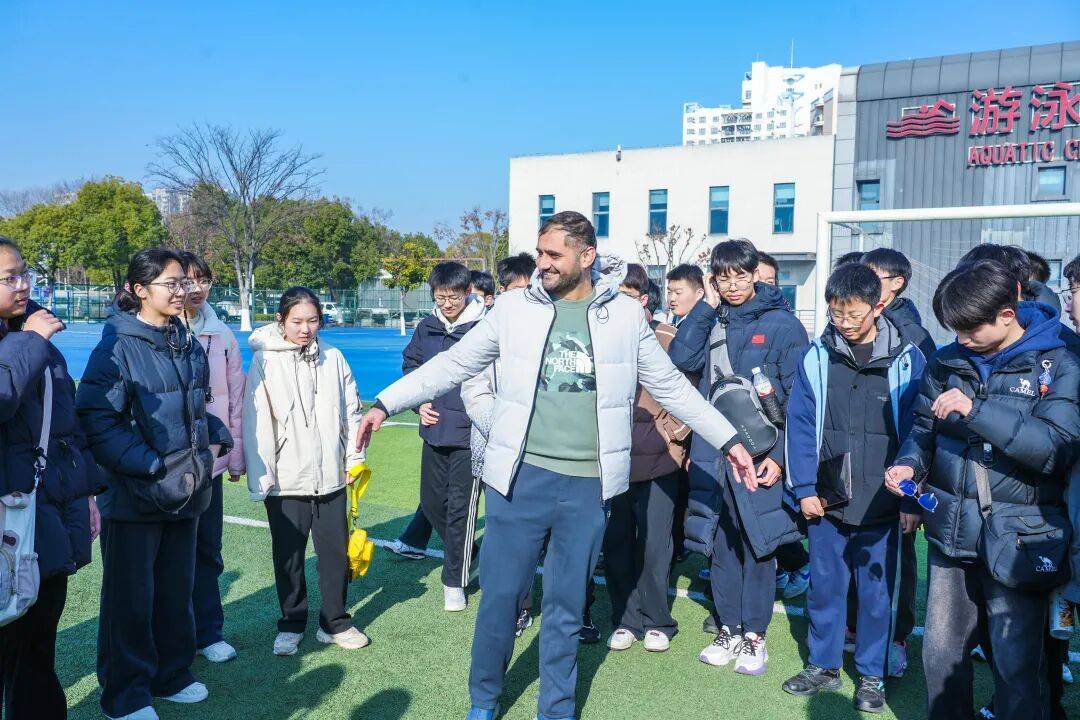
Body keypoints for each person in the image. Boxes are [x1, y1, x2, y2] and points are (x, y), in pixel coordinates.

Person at [356, 211, 756, 720]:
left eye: (553, 255)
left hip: (588, 488)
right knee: (500, 601)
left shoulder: (625, 316)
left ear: (586, 256)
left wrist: (728, 439)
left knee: (566, 609)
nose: (542, 263)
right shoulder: (512, 308)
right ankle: (484, 700)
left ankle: (557, 708)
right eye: (540, 252)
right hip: (518, 482)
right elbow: (454, 364)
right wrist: (386, 402)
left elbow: (673, 388)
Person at [886, 260, 1079, 720]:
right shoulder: (946, 360)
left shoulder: (1059, 363)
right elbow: (923, 429)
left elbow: (1056, 449)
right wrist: (909, 465)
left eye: (970, 328)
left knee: (1017, 665)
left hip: (1022, 537)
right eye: (954, 328)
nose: (962, 338)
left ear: (1007, 315)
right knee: (941, 655)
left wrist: (977, 412)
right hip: (951, 533)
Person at [76, 248, 234, 720]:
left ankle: (172, 674)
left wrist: (213, 432)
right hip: (135, 496)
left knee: (175, 590)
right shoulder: (116, 347)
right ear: (139, 290)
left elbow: (187, 407)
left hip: (185, 491)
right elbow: (97, 419)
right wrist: (149, 466)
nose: (183, 290)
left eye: (185, 281)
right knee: (130, 601)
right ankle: (125, 695)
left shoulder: (185, 340)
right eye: (171, 283)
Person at [782, 262, 927, 714]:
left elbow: (922, 432)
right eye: (836, 314)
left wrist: (913, 499)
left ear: (878, 306)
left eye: (854, 314)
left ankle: (871, 674)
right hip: (828, 499)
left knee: (877, 596)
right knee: (825, 588)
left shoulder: (909, 358)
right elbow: (800, 426)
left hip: (886, 502)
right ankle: (823, 665)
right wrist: (804, 488)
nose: (844, 323)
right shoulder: (817, 356)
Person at [669, 239, 809, 676]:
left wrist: (781, 457)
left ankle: (754, 636)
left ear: (754, 275)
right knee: (721, 542)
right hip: (713, 451)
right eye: (723, 277)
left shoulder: (783, 325)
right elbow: (680, 359)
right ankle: (728, 628)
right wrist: (705, 307)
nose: (732, 285)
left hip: (762, 452)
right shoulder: (712, 317)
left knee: (759, 544)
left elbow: (800, 399)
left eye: (740, 276)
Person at [0, 238, 100, 720]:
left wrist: (87, 496)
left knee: (38, 649)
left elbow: (66, 425)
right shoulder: (33, 337)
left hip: (44, 515)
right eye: (9, 278)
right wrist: (31, 342)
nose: (22, 286)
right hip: (7, 518)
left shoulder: (36, 332)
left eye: (25, 274)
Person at [243, 287, 369, 656]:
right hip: (285, 481)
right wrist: (262, 478)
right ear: (280, 320)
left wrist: (354, 459)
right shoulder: (264, 361)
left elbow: (352, 413)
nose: (305, 328)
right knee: (289, 557)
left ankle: (335, 622)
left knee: (334, 554)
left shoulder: (334, 357)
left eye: (313, 321)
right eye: (297, 321)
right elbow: (256, 423)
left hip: (331, 477)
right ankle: (291, 623)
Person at [852, 247, 935, 676]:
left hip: (897, 472)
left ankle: (896, 638)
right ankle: (855, 629)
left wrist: (912, 493)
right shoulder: (853, 324)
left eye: (873, 276)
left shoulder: (913, 337)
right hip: (856, 470)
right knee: (856, 557)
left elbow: (923, 424)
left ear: (896, 283)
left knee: (895, 561)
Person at [604, 264, 691, 654]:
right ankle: (626, 619)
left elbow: (690, 392)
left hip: (659, 461)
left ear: (643, 300)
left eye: (625, 296)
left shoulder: (669, 338)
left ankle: (658, 620)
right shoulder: (603, 337)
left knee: (655, 543)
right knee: (617, 540)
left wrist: (672, 437)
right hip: (613, 460)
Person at [462, 254, 538, 637]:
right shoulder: (485, 331)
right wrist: (508, 429)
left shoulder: (547, 329)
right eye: (516, 289)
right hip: (496, 451)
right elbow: (475, 391)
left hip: (539, 455)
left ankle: (524, 605)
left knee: (532, 540)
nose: (525, 297)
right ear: (501, 291)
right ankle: (505, 605)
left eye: (530, 289)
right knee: (501, 537)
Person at [176, 251, 245, 664]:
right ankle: (173, 634)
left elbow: (235, 398)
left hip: (209, 462)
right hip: (167, 465)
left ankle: (208, 632)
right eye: (187, 280)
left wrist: (233, 457)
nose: (196, 288)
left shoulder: (222, 335)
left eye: (203, 280)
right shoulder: (160, 330)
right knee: (169, 555)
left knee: (207, 549)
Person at [405, 263, 486, 611]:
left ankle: (454, 581)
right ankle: (473, 554)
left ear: (468, 292)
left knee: (461, 511)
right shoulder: (426, 327)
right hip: (434, 432)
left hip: (471, 435)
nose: (447, 303)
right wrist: (418, 402)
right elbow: (411, 367)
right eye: (440, 298)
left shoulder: (484, 328)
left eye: (453, 297)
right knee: (432, 503)